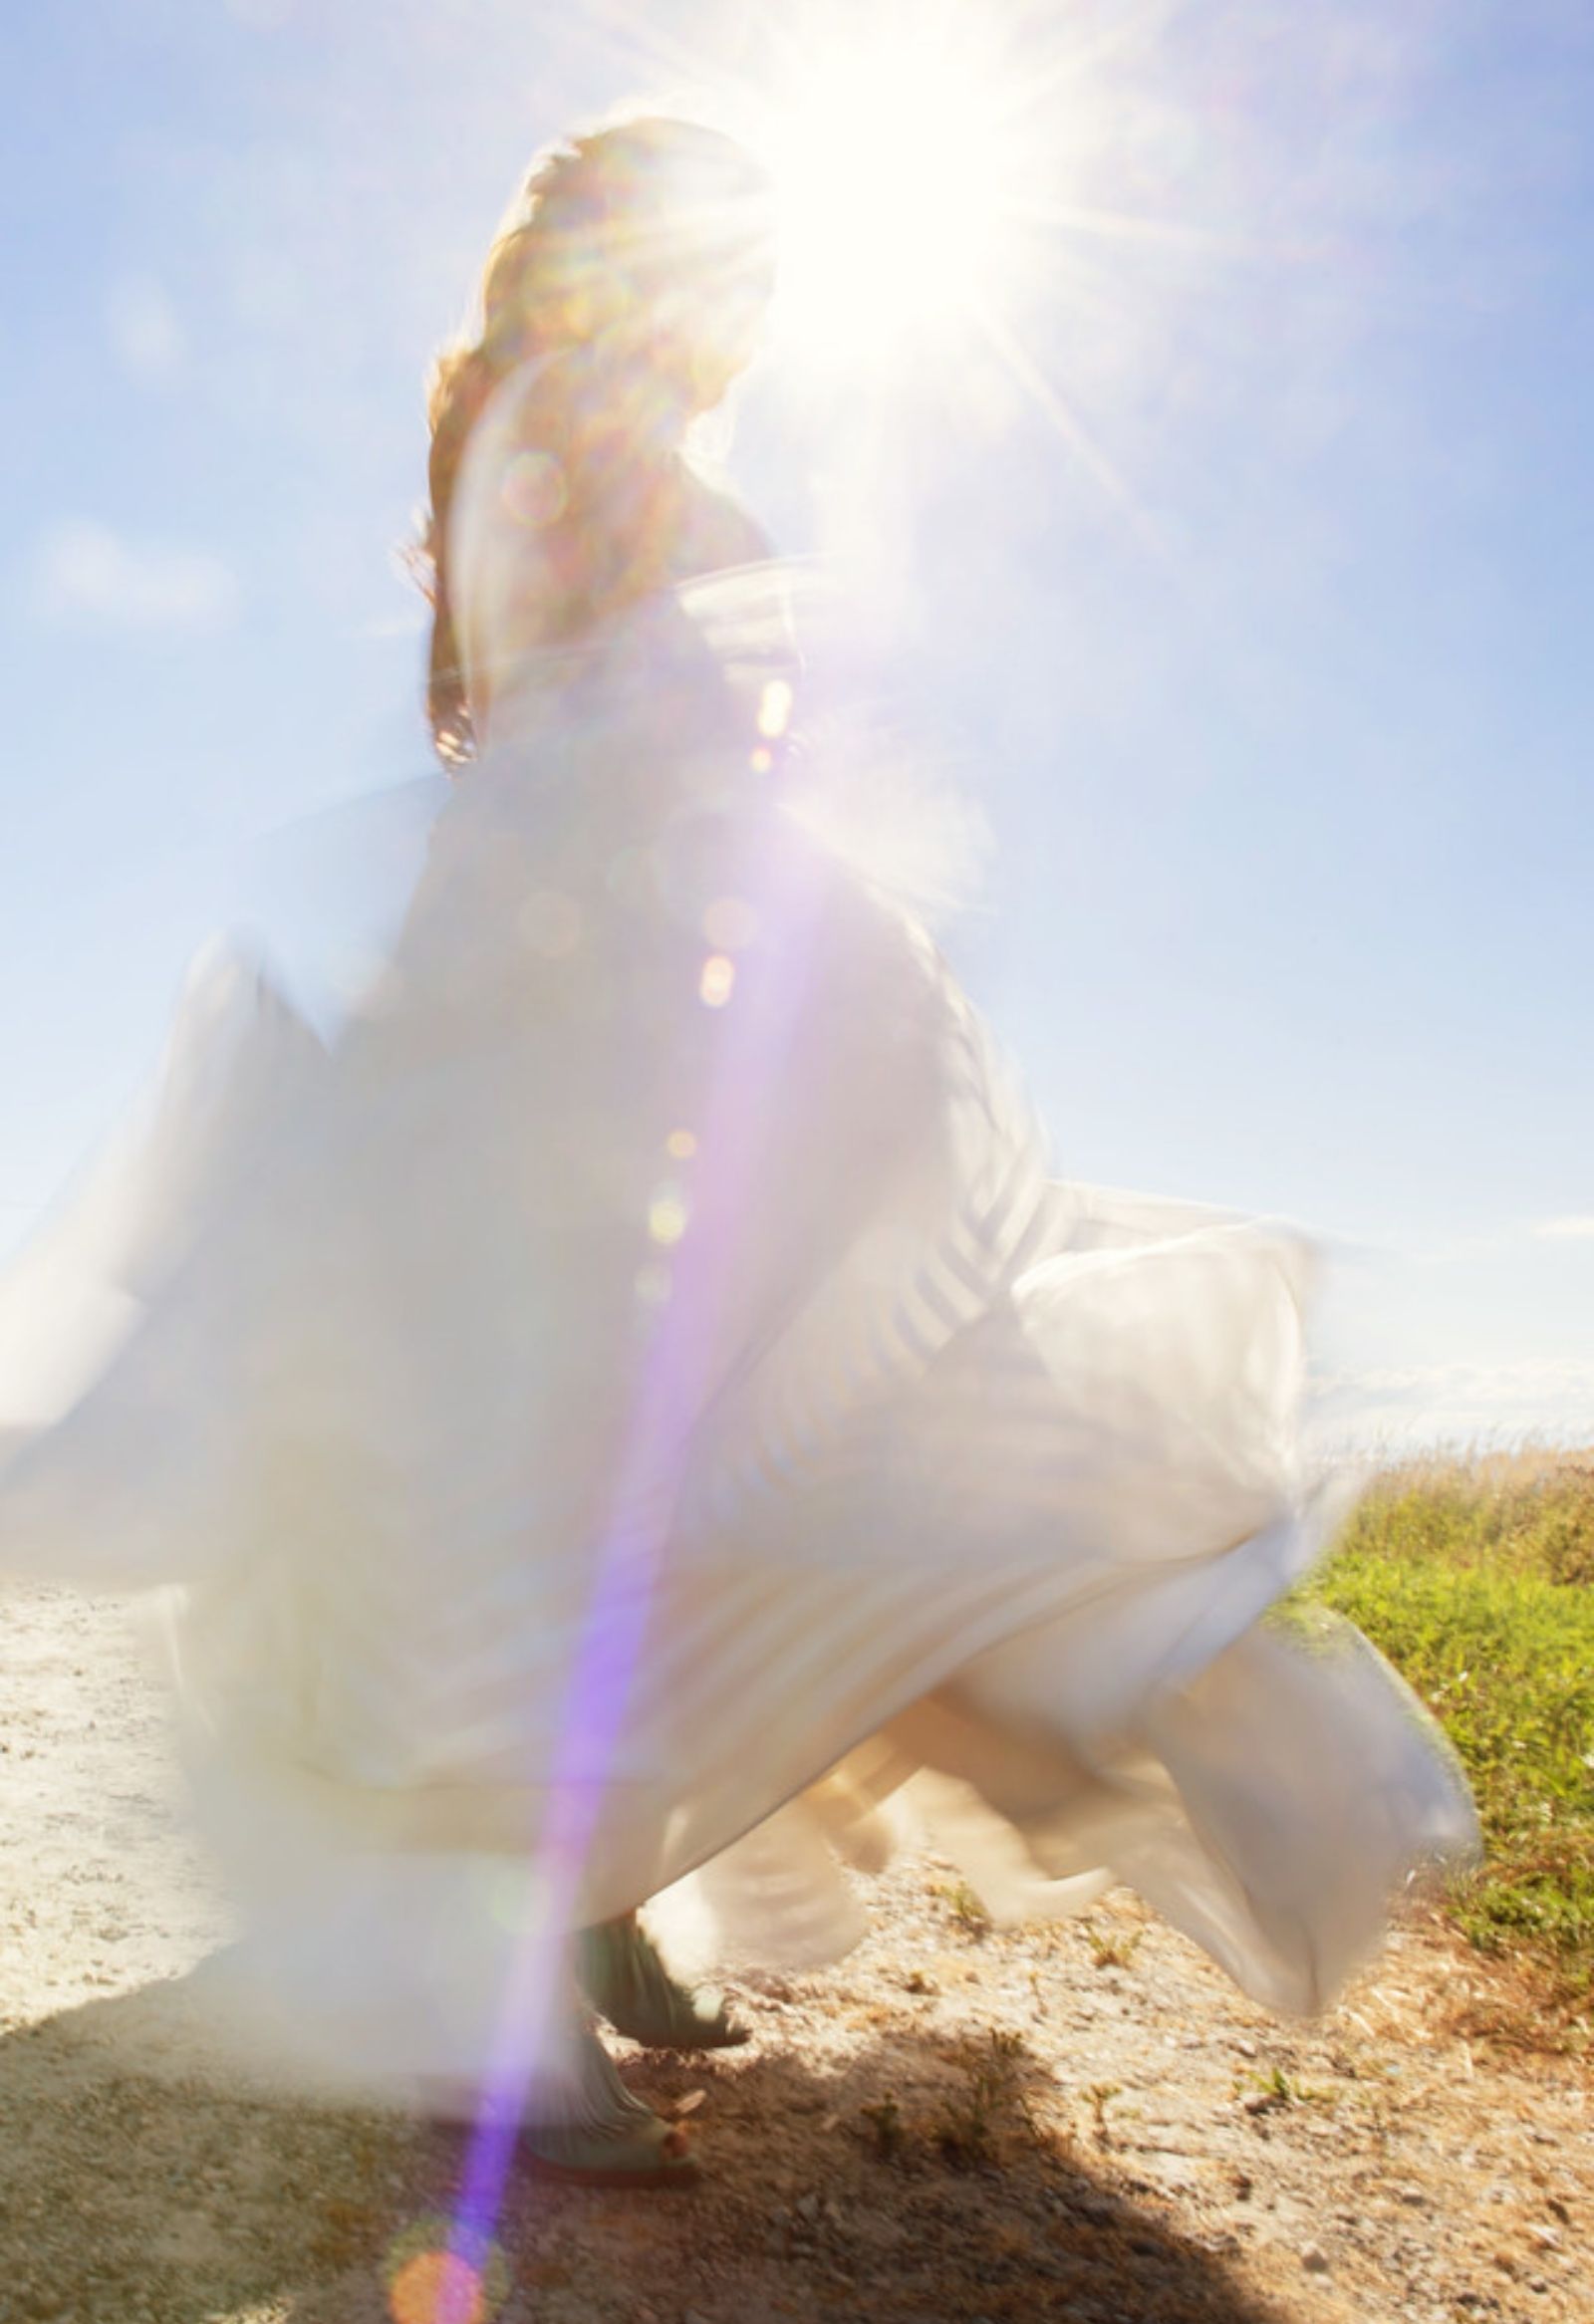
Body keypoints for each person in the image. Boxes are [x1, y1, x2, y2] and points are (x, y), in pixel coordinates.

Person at [0, 116, 1475, 2189]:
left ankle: (598, 1901)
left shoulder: (619, 452)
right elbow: (561, 701)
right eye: (723, 274)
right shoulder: (553, 424)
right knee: (543, 1464)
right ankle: (515, 1956)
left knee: (689, 1438)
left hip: (636, 979)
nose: (747, 319)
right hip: (547, 988)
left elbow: (675, 726)